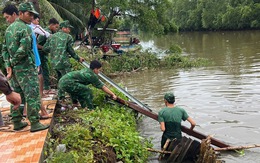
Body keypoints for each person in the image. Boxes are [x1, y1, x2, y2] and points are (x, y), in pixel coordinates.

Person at [2, 2, 49, 132]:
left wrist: (9, 65)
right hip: (26, 68)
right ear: (20, 13)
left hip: (14, 71)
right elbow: (24, 49)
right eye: (29, 14)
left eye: (33, 15)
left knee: (17, 94)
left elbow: (4, 50)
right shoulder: (26, 29)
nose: (31, 17)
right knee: (32, 94)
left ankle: (17, 121)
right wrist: (13, 62)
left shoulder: (8, 30)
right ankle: (34, 123)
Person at [43, 20, 84, 100]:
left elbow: (45, 48)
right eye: (68, 28)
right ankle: (74, 99)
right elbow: (71, 51)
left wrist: (54, 50)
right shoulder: (68, 37)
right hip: (64, 63)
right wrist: (78, 58)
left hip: (54, 63)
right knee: (69, 80)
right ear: (64, 28)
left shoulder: (52, 36)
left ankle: (61, 97)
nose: (69, 30)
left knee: (60, 79)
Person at [38, 18, 59, 94]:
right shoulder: (45, 33)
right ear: (51, 25)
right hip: (40, 54)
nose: (56, 29)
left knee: (45, 71)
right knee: (44, 71)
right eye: (56, 27)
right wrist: (45, 48)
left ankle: (46, 88)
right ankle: (46, 88)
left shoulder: (49, 32)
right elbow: (36, 45)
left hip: (43, 54)